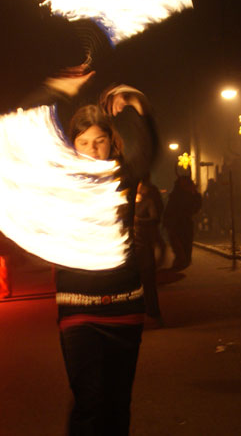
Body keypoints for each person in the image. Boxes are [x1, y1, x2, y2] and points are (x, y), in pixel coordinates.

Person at [32, 70, 158, 435]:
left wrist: (139, 104)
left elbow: (149, 145)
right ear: (72, 145)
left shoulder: (123, 176)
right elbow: (23, 130)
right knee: (90, 401)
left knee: (118, 403)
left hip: (125, 305)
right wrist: (53, 87)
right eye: (84, 142)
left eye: (100, 140)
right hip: (77, 307)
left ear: (111, 142)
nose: (93, 149)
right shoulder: (60, 182)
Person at [134, 174, 164, 323]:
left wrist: (140, 220)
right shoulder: (129, 203)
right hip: (132, 249)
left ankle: (153, 312)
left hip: (144, 245)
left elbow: (154, 217)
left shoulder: (148, 202)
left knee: (148, 282)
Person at [164, 175, 201, 270]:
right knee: (179, 243)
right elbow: (170, 209)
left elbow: (195, 207)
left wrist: (195, 193)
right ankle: (181, 260)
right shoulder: (176, 195)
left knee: (185, 243)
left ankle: (183, 260)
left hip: (185, 223)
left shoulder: (189, 194)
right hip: (177, 223)